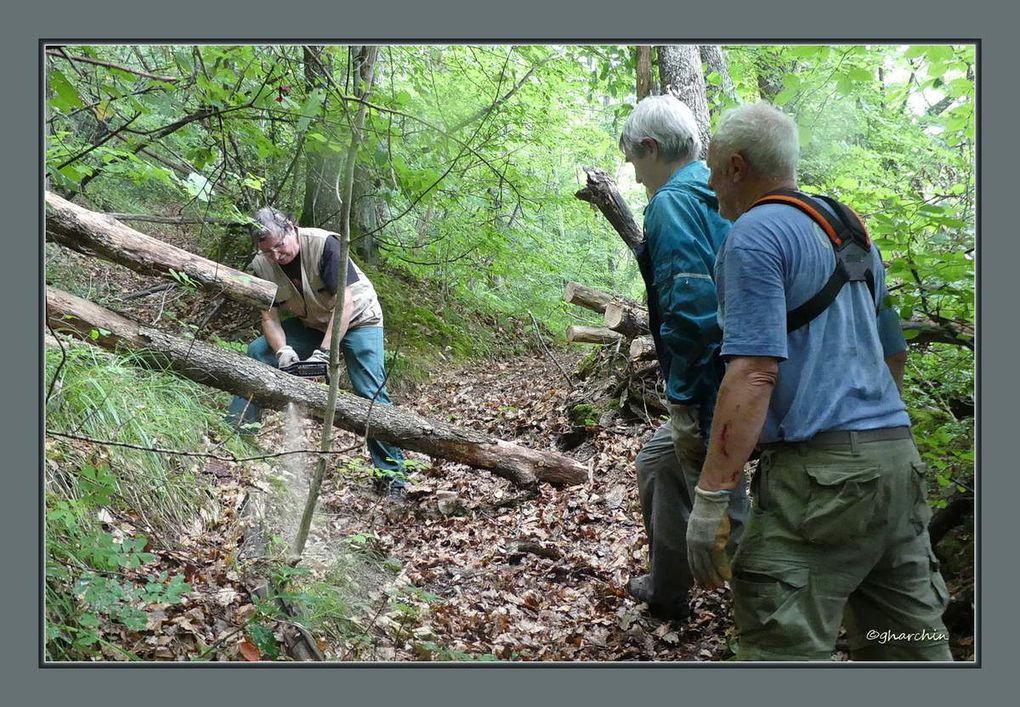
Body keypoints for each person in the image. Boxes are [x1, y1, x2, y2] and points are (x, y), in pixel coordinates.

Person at [686, 102, 952, 660]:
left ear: (736, 167)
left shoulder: (755, 235)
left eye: (712, 169)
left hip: (820, 482)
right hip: (897, 464)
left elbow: (753, 372)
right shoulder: (848, 227)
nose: (710, 186)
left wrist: (711, 499)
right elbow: (892, 350)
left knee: (781, 646)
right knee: (907, 645)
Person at [619, 95, 749, 622]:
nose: (632, 174)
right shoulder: (716, 190)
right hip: (751, 366)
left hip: (719, 378)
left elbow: (692, 307)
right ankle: (669, 587)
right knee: (658, 462)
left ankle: (762, 614)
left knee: (725, 491)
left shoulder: (673, 201)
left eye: (633, 160)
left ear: (651, 148)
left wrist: (683, 399)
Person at [226, 207, 407, 500]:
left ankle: (392, 476)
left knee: (369, 391)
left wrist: (323, 354)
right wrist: (283, 350)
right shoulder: (261, 265)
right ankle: (236, 441)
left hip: (359, 319)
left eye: (279, 246)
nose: (275, 255)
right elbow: (269, 318)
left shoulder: (325, 245)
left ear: (291, 228)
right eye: (267, 251)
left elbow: (345, 304)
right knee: (258, 353)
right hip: (311, 321)